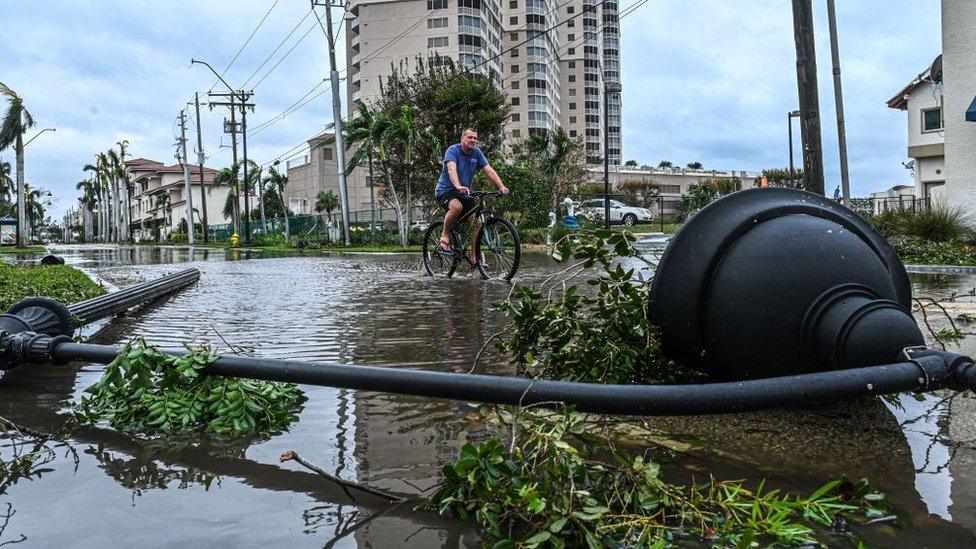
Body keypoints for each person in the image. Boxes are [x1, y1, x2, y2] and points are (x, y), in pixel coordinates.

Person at [434, 128, 508, 263]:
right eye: (470, 137)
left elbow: (489, 170)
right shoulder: (453, 150)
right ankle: (445, 235)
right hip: (446, 191)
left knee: (478, 223)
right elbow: (451, 169)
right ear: (462, 138)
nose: (473, 140)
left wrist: (501, 187)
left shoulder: (477, 153)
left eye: (475, 138)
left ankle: (473, 257)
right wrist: (457, 185)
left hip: (465, 193)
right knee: (456, 207)